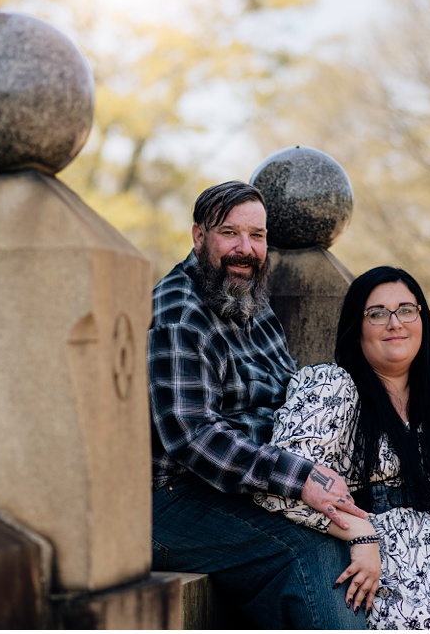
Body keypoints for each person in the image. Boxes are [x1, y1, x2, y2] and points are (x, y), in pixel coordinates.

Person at [256, 266, 430, 629]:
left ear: (422, 319)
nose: (395, 323)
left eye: (406, 309)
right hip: (367, 559)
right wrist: (361, 533)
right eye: (377, 313)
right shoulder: (330, 387)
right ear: (357, 328)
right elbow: (286, 482)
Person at [147, 180, 368, 629]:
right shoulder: (178, 312)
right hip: (172, 500)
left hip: (249, 479)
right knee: (314, 547)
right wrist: (300, 478)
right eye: (229, 233)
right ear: (198, 236)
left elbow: (290, 393)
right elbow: (193, 438)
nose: (245, 248)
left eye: (257, 235)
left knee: (376, 514)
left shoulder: (250, 297)